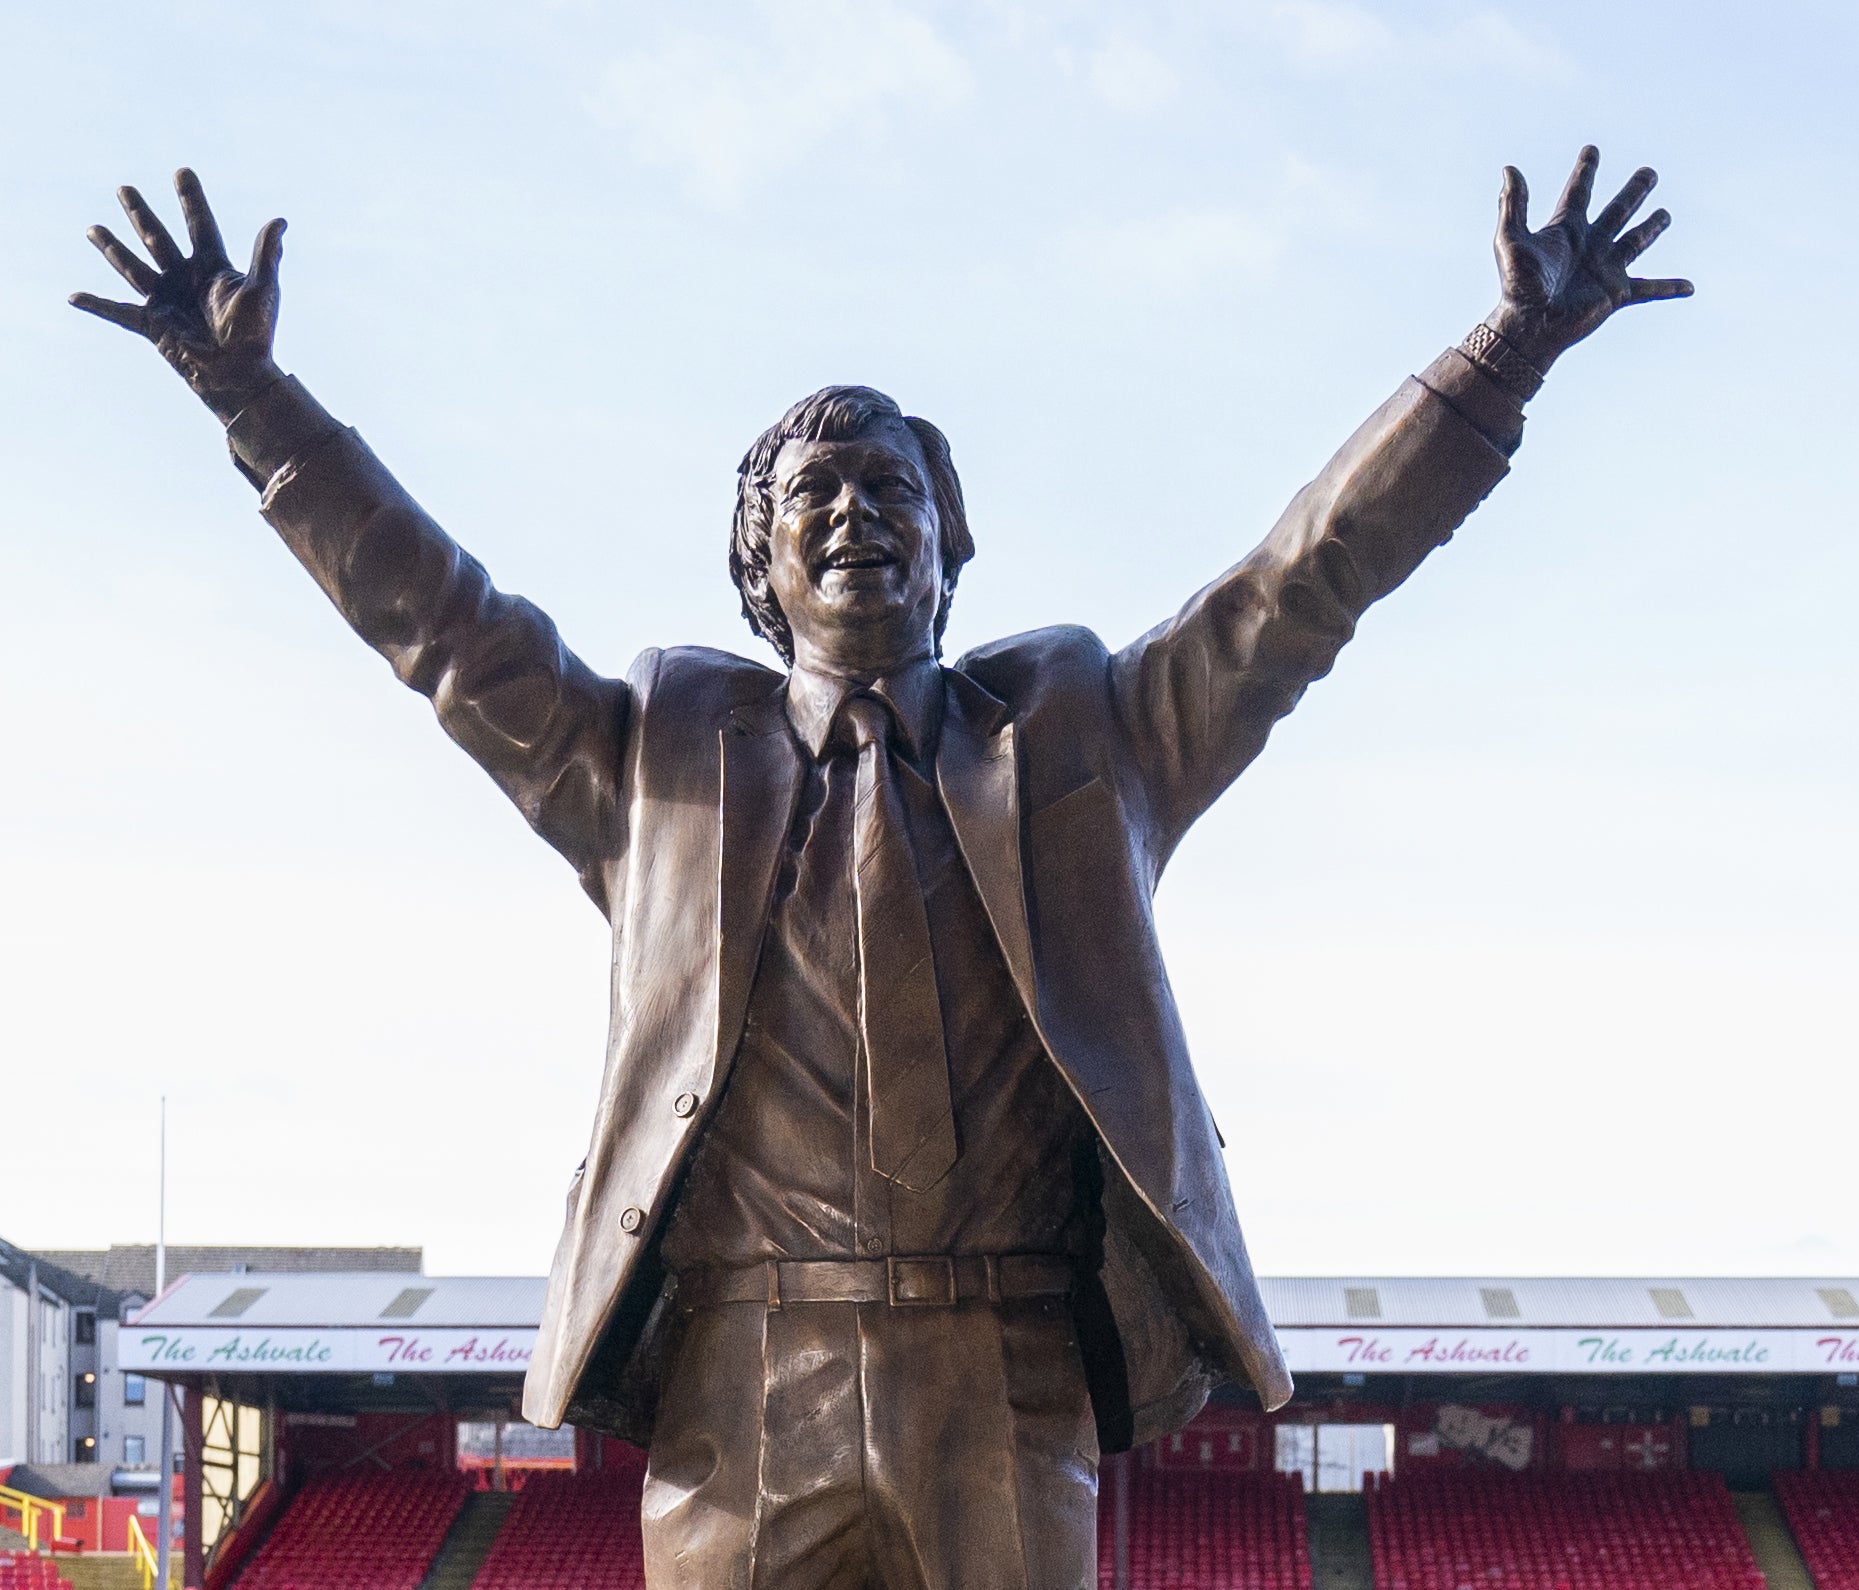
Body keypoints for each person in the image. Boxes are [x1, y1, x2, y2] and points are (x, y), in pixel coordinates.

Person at [70, 152, 1689, 1590]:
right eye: (813, 496)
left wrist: (1508, 352)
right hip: (738, 1383)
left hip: (1004, 1370)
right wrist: (251, 400)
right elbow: (439, 624)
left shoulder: (1087, 745)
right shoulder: (651, 767)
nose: (857, 516)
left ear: (952, 543)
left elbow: (1304, 582)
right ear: (756, 568)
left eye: (893, 488)